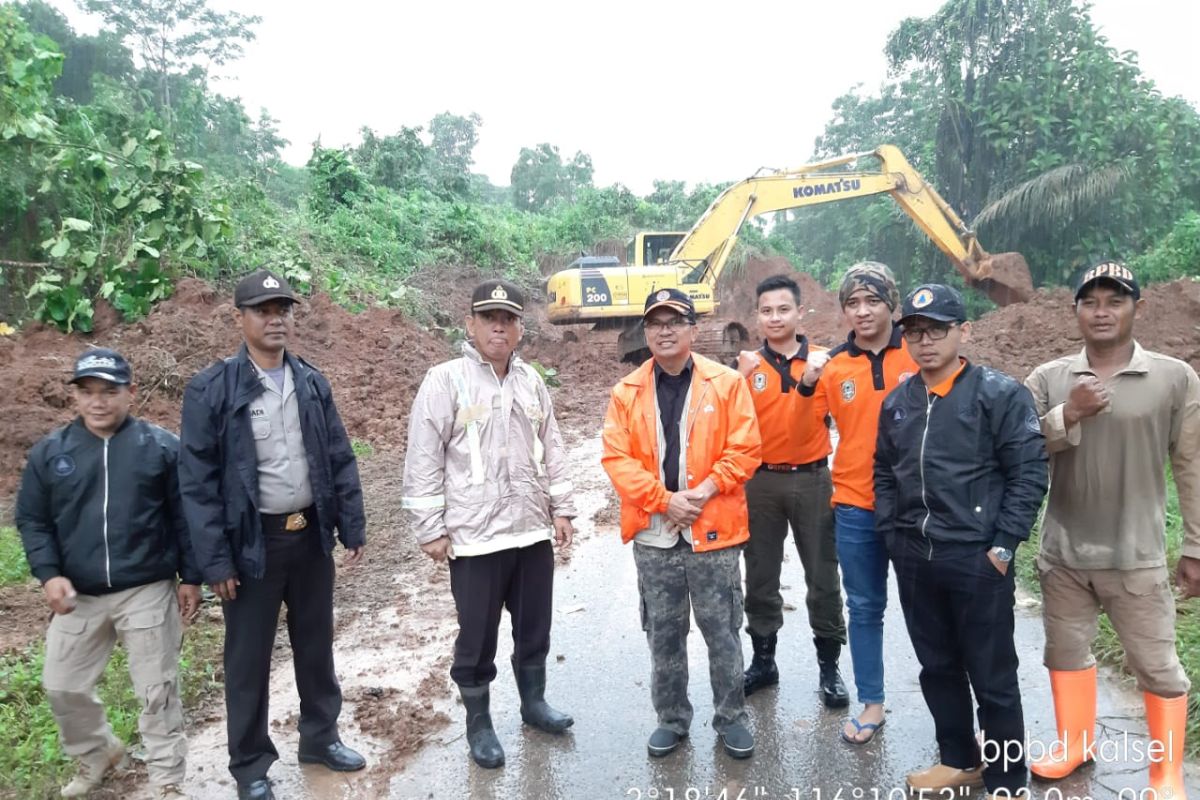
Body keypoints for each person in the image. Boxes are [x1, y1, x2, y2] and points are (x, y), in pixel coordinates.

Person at [178, 269, 367, 800]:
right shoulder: (212, 390)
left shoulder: (310, 381)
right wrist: (214, 563)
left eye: (282, 308)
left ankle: (320, 738)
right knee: (247, 659)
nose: (275, 318)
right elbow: (197, 484)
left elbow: (339, 457)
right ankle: (251, 764)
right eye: (263, 309)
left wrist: (351, 524)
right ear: (241, 317)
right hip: (251, 547)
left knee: (315, 646)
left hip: (308, 538)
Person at [1024, 261, 1198, 799]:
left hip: (1137, 554)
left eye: (1114, 300)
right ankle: (1075, 744)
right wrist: (1066, 415)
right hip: (1064, 555)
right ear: (1074, 310)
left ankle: (1164, 773)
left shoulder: (1173, 377)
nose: (1102, 311)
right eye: (1091, 301)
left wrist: (1195, 544)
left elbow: (1192, 464)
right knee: (1065, 653)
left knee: (1158, 667)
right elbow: (1020, 449)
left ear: (1136, 309)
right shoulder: (1049, 378)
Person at [875, 284, 1048, 798]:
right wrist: (892, 533)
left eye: (937, 331)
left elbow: (1029, 473)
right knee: (938, 667)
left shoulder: (998, 394)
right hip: (916, 558)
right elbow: (884, 471)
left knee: (993, 676)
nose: (924, 342)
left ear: (963, 331)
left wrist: (1003, 547)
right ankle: (958, 758)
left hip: (977, 560)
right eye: (914, 332)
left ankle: (1007, 777)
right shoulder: (900, 401)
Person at [401, 278, 577, 770]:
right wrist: (429, 527)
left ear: (521, 328)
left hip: (530, 531)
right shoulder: (445, 380)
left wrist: (561, 508)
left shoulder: (531, 381)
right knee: (476, 636)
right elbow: (423, 456)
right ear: (471, 325)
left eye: (509, 319)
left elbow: (554, 446)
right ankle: (479, 724)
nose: (499, 327)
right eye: (489, 318)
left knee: (534, 626)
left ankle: (533, 704)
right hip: (474, 538)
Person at [16, 348, 201, 800]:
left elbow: (185, 516)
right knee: (61, 685)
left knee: (156, 690)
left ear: (131, 393)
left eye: (109, 392)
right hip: (79, 593)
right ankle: (98, 752)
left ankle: (167, 782)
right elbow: (33, 519)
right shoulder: (52, 453)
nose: (98, 402)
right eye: (88, 392)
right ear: (76, 396)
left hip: (146, 587)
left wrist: (191, 577)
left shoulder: (159, 448)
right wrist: (49, 575)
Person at [601, 288, 762, 759]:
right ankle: (671, 719)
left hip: (714, 532)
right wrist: (665, 501)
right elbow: (617, 458)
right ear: (645, 332)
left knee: (722, 631)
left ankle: (732, 718)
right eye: (656, 323)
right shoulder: (627, 391)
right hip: (655, 534)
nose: (665, 330)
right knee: (664, 634)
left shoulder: (726, 384)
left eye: (675, 321)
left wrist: (707, 489)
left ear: (694, 329)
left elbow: (746, 448)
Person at [796, 262, 916, 744]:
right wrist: (805, 384)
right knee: (864, 607)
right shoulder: (834, 366)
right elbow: (809, 429)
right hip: (855, 504)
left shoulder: (920, 350)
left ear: (892, 302)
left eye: (873, 300)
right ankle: (872, 703)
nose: (863, 311)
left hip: (918, 507)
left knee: (930, 609)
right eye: (853, 303)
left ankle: (951, 707)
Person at [733, 274, 847, 706]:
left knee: (822, 573)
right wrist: (736, 379)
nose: (775, 317)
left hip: (812, 479)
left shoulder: (824, 363)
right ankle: (764, 661)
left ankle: (829, 667)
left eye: (784, 309)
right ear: (757, 317)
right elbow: (727, 425)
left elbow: (838, 419)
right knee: (760, 574)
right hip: (759, 481)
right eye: (766, 310)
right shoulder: (747, 368)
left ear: (800, 312)